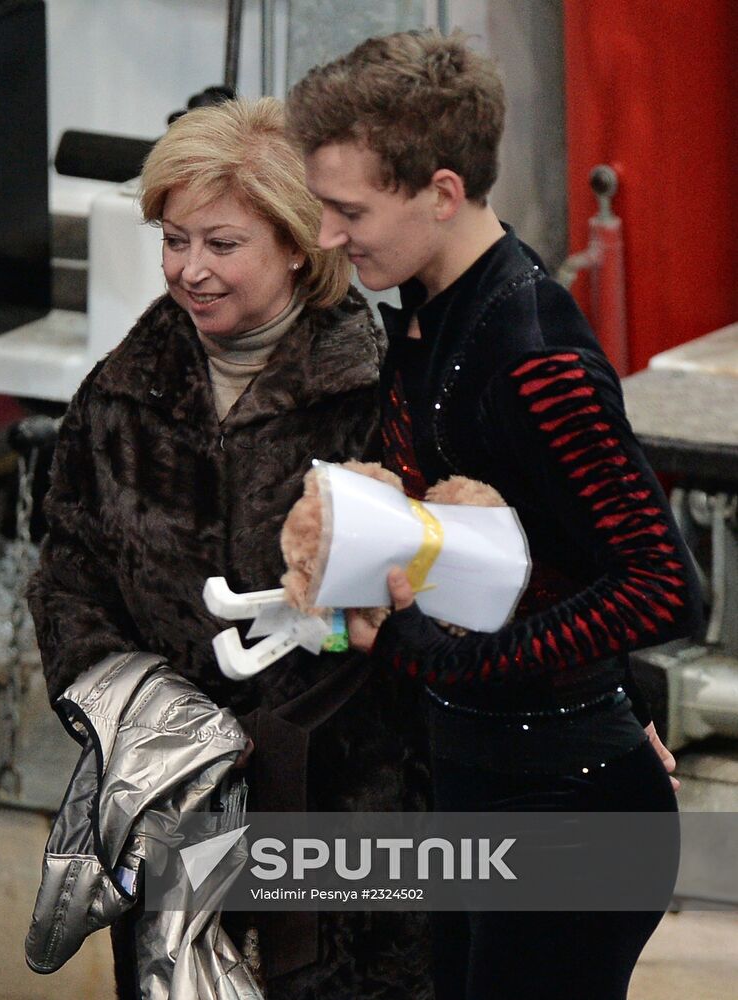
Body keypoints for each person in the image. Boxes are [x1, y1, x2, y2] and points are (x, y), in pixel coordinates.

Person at [287, 30, 703, 1000]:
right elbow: (528, 552)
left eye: (351, 211)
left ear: (440, 190)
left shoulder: (531, 348)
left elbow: (662, 583)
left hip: (567, 804)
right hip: (481, 775)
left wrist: (454, 659)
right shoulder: (428, 315)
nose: (331, 236)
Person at [28, 97, 432, 1000]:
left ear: (297, 242)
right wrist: (140, 714)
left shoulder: (380, 397)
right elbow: (69, 570)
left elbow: (433, 594)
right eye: (175, 241)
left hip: (348, 822)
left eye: (222, 244)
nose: (190, 271)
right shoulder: (120, 396)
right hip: (168, 810)